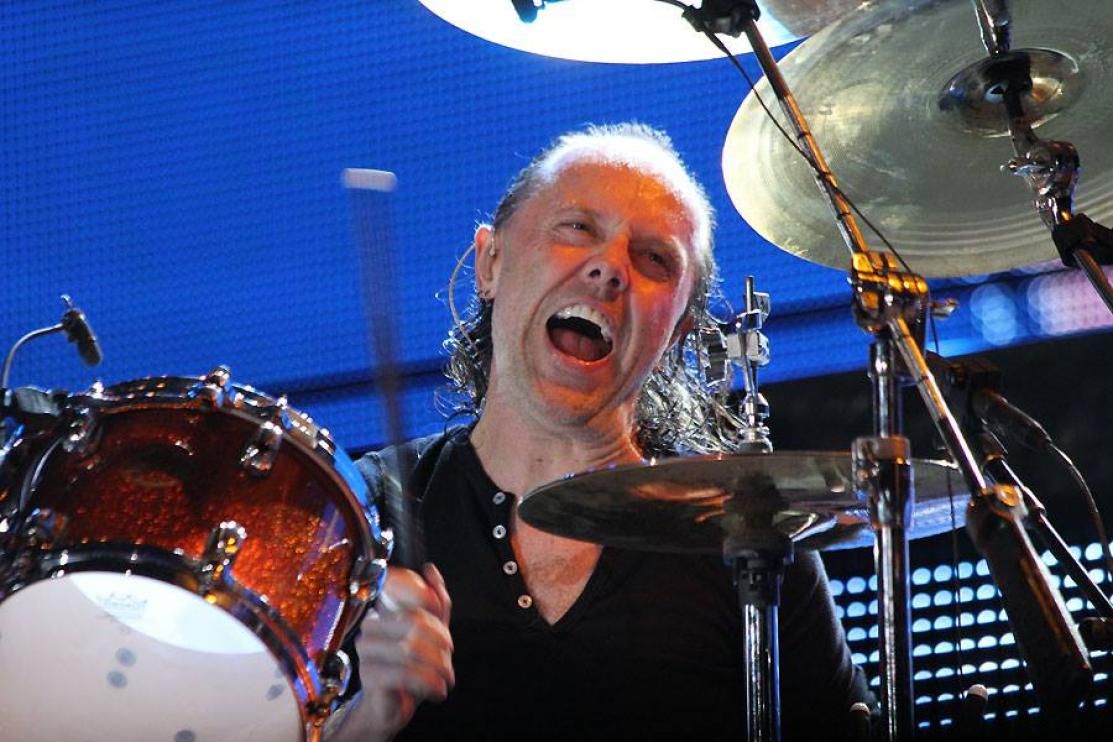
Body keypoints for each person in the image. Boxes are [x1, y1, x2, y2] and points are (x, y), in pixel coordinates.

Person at [327, 122, 873, 741]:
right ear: (490, 263)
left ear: (678, 332)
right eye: (577, 229)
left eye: (654, 259)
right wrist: (369, 716)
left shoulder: (747, 532)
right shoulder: (356, 515)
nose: (610, 268)